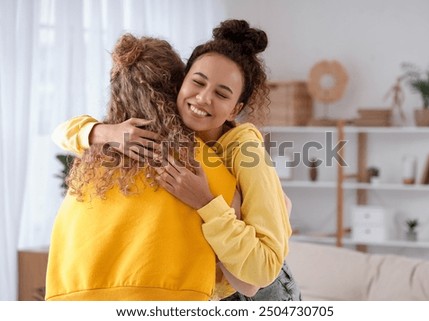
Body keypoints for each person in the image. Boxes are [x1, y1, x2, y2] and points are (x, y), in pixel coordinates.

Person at [53, 20, 300, 301]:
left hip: (264, 294)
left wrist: (206, 202)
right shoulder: (169, 136)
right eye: (197, 82)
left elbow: (263, 270)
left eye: (222, 94)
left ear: (236, 109)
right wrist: (107, 132)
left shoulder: (244, 150)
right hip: (216, 286)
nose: (204, 98)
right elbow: (61, 132)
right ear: (179, 83)